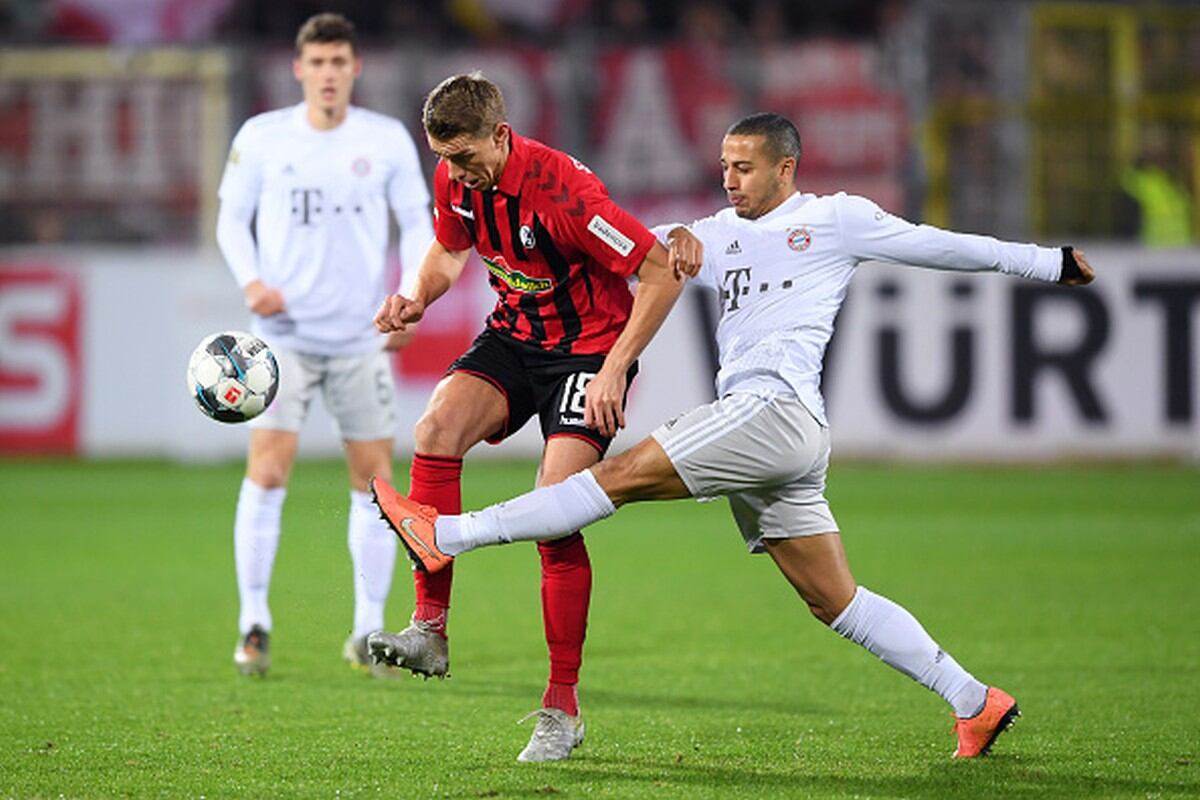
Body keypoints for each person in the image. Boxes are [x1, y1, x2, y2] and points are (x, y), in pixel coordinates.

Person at [371, 112, 1097, 759]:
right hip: (777, 441)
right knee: (834, 600)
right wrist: (668, 240)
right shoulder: (713, 235)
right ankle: (976, 701)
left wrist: (1047, 262)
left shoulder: (836, 218)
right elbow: (630, 251)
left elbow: (939, 247)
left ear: (787, 168)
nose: (730, 180)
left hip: (771, 411)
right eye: (723, 167)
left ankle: (450, 534)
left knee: (611, 481)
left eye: (744, 167)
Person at [367, 73, 693, 762]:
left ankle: (562, 707)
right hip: (517, 336)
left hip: (588, 352)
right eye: (445, 159)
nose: (455, 172)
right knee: (434, 430)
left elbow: (661, 270)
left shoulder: (568, 194)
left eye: (465, 158)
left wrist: (613, 367)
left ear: (503, 136)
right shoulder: (456, 177)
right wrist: (414, 295)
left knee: (556, 507)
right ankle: (429, 627)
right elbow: (450, 248)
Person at [214, 13, 434, 678]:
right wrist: (251, 281)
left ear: (355, 68)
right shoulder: (264, 136)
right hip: (279, 341)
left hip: (360, 337)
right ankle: (254, 623)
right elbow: (230, 218)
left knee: (374, 483)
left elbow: (418, 226)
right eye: (319, 63)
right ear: (299, 68)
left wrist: (412, 294)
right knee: (269, 470)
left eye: (340, 62)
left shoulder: (386, 139)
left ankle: (368, 629)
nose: (329, 74)